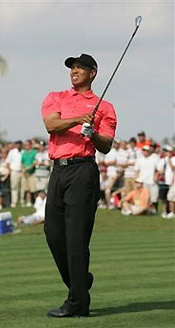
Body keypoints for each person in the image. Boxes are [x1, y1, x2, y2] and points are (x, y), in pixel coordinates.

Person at [41, 53, 116, 318]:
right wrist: (78, 120)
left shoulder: (104, 107)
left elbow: (106, 145)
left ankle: (78, 303)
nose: (74, 70)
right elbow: (51, 125)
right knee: (53, 233)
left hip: (83, 171)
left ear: (92, 73)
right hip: (58, 171)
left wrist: (92, 132)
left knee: (76, 238)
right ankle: (80, 282)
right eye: (72, 67)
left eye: (80, 67)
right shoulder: (55, 97)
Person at [6, 140, 23, 207]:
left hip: (22, 172)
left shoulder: (23, 152)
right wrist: (11, 171)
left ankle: (21, 201)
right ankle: (14, 202)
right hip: (14, 172)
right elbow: (8, 162)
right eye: (17, 145)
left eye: (20, 145)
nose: (18, 146)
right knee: (14, 188)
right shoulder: (12, 152)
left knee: (22, 188)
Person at [21, 140, 37, 206]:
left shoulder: (34, 152)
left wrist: (29, 167)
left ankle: (36, 202)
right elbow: (22, 162)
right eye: (25, 145)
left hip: (32, 173)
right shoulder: (24, 153)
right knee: (27, 189)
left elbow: (35, 161)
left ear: (30, 145)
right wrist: (23, 169)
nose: (26, 146)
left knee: (33, 189)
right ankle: (28, 202)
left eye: (27, 144)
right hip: (25, 173)